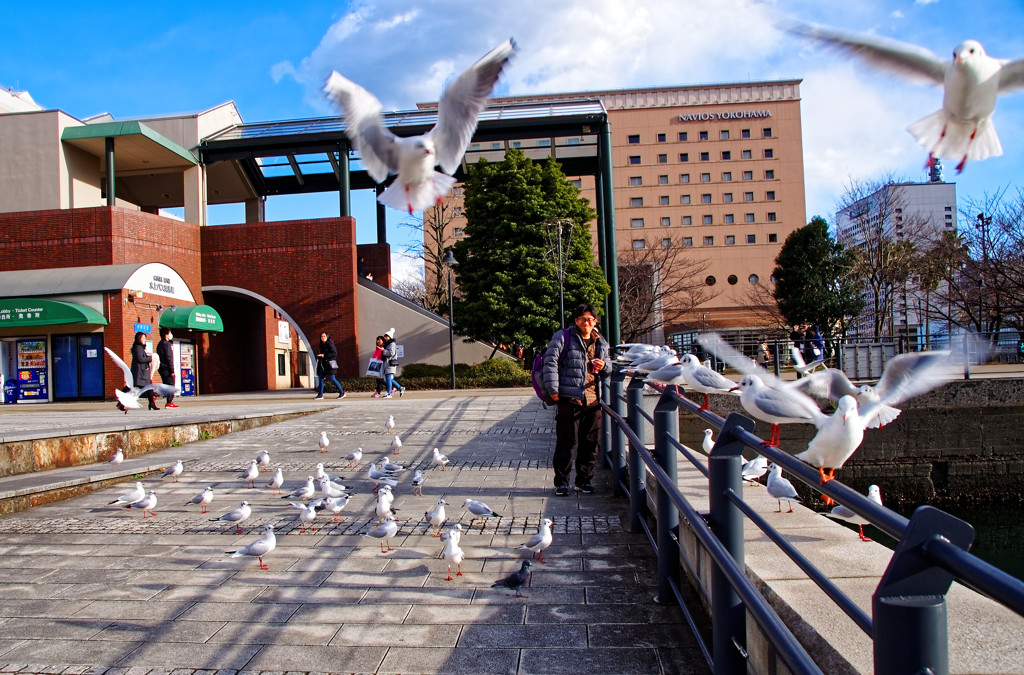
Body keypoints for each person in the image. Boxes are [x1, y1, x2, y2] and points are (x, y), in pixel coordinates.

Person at [541, 303, 611, 496]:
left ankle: (584, 480)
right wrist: (554, 390)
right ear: (576, 321)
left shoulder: (600, 341)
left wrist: (604, 365)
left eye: (590, 319)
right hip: (568, 399)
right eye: (582, 319)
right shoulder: (563, 337)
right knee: (566, 442)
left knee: (590, 443)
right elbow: (550, 362)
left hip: (593, 400)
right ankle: (561, 483)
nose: (586, 323)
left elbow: (609, 368)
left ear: (595, 321)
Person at [128, 332, 159, 411]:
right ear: (139, 339)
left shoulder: (140, 348)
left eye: (145, 338)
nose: (145, 340)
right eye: (143, 338)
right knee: (132, 388)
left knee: (148, 388)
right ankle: (121, 403)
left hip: (142, 372)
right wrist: (150, 358)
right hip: (140, 373)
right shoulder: (138, 348)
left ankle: (152, 403)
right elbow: (140, 359)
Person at [314, 331, 346, 400]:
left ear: (327, 337)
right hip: (323, 365)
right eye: (321, 336)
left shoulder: (330, 344)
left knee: (332, 379)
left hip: (330, 365)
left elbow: (334, 354)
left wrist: (324, 355)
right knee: (321, 378)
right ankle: (320, 394)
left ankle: (342, 392)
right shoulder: (322, 345)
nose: (322, 338)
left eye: (324, 336)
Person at [156, 327, 178, 408]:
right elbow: (169, 358)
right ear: (166, 335)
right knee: (171, 385)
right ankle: (169, 402)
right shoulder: (167, 345)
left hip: (161, 367)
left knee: (166, 384)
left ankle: (157, 395)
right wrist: (172, 370)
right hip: (167, 368)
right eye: (169, 333)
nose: (170, 335)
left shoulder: (160, 344)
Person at [381, 329, 405, 398]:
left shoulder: (392, 344)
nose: (385, 337)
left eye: (387, 336)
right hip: (387, 364)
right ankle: (400, 388)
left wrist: (383, 350)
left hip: (390, 364)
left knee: (388, 378)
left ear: (390, 337)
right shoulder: (387, 344)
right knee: (389, 379)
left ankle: (389, 393)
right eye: (385, 336)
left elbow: (391, 353)